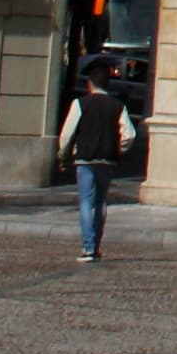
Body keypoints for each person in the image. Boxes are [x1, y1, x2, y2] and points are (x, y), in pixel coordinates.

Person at [58, 55, 140, 262]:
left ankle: (88, 246)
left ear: (89, 84)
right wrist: (119, 149)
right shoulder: (117, 106)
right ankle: (96, 244)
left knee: (86, 202)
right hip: (107, 158)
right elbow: (129, 134)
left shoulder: (80, 104)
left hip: (85, 157)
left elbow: (67, 134)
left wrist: (63, 155)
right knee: (100, 202)